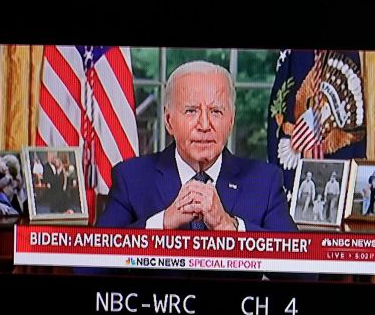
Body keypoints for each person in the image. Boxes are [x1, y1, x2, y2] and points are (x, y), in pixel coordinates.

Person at [97, 62, 296, 232]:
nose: (204, 125)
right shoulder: (131, 178)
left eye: (216, 111)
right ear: (169, 120)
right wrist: (162, 223)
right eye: (191, 111)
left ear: (231, 120)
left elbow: (301, 272)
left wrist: (228, 226)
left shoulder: (265, 182)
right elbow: (90, 267)